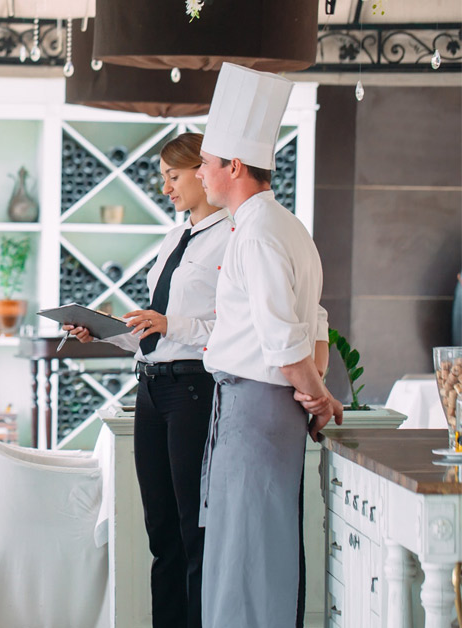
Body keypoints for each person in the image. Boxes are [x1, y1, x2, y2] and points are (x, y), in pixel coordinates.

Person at [195, 63, 342, 628]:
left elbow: (283, 342)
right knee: (263, 547)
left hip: (253, 409)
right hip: (268, 410)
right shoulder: (286, 226)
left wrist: (318, 396)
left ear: (233, 165)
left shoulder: (254, 233)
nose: (201, 173)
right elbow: (316, 322)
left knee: (244, 554)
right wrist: (314, 390)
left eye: (207, 163)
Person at [64, 134, 229, 628]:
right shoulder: (175, 238)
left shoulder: (235, 236)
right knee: (160, 532)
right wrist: (104, 332)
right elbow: (152, 332)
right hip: (152, 388)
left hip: (195, 389)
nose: (165, 188)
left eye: (172, 176)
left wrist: (169, 325)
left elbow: (236, 330)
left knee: (192, 530)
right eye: (161, 177)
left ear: (203, 171)